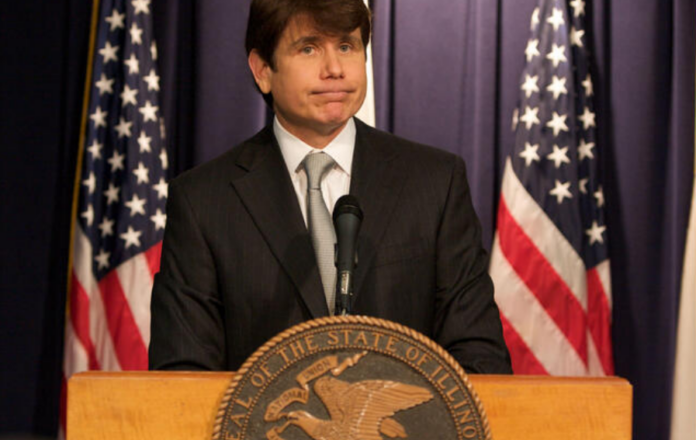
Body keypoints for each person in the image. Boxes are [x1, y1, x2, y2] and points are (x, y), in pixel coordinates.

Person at [149, 0, 512, 374]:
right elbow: (182, 377)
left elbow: (480, 359)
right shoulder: (203, 202)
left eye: (346, 47)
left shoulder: (436, 183)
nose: (335, 69)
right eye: (308, 48)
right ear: (262, 70)